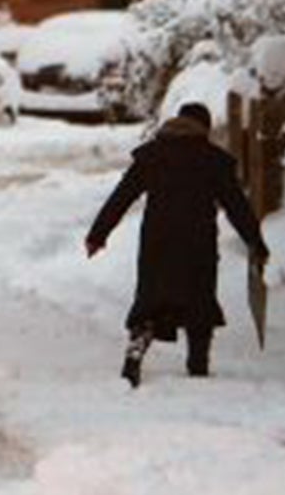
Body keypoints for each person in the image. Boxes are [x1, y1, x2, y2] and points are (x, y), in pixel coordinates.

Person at [84, 101, 267, 388]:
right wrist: (256, 243)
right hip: (198, 245)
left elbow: (122, 196)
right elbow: (237, 206)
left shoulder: (152, 156)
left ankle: (137, 347)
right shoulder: (213, 160)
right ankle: (198, 364)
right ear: (203, 128)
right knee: (199, 303)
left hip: (158, 243)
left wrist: (98, 235)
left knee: (150, 303)